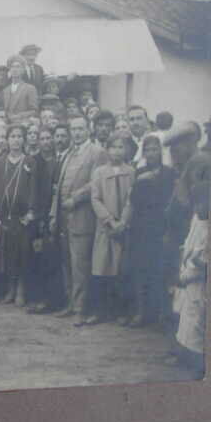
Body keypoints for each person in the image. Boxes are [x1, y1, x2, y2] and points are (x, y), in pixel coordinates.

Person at [49, 116, 109, 321]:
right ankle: (71, 303)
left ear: (88, 130)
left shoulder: (97, 152)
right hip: (64, 218)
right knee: (67, 263)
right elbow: (59, 187)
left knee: (80, 266)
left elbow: (95, 182)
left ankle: (81, 309)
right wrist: (54, 213)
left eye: (81, 129)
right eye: (73, 129)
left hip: (82, 217)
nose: (76, 133)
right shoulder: (69, 153)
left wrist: (74, 199)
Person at [125, 134, 176, 327]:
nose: (151, 153)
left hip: (160, 227)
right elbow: (134, 201)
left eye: (155, 149)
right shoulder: (139, 173)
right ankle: (141, 312)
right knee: (140, 270)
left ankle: (162, 314)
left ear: (160, 152)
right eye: (148, 150)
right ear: (143, 153)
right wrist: (141, 181)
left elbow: (170, 201)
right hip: (141, 228)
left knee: (160, 271)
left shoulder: (169, 173)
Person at [84, 135, 136, 326]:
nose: (116, 151)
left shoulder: (131, 172)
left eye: (120, 147)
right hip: (105, 228)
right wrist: (109, 220)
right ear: (107, 149)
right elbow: (95, 198)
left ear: (126, 150)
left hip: (123, 227)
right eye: (113, 147)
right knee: (101, 268)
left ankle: (119, 311)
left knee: (120, 270)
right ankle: (99, 311)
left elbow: (132, 199)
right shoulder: (99, 172)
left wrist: (123, 221)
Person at [0, 125, 37, 306]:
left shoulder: (30, 161)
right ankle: (10, 289)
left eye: (19, 136)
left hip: (22, 217)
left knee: (23, 253)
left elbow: (34, 188)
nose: (16, 140)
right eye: (13, 136)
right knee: (8, 254)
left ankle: (21, 290)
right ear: (7, 139)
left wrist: (31, 211)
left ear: (24, 139)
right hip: (5, 217)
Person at [172, 168, 210, 377]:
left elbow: (204, 263)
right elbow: (188, 245)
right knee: (185, 318)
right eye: (195, 204)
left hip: (198, 280)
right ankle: (184, 353)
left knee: (197, 321)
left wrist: (191, 268)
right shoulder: (197, 219)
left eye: (201, 204)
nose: (197, 208)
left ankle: (199, 362)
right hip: (187, 276)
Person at [25, 126, 60, 313]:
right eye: (42, 138)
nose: (46, 142)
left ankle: (52, 300)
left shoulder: (58, 159)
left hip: (53, 214)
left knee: (51, 258)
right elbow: (31, 190)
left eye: (49, 138)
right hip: (38, 215)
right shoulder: (34, 161)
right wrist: (34, 213)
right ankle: (38, 298)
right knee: (37, 257)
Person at [1, 56, 39, 125]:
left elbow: (34, 111)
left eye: (18, 67)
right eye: (12, 67)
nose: (15, 69)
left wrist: (19, 116)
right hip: (7, 123)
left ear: (23, 70)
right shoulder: (5, 90)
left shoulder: (30, 88)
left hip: (23, 122)